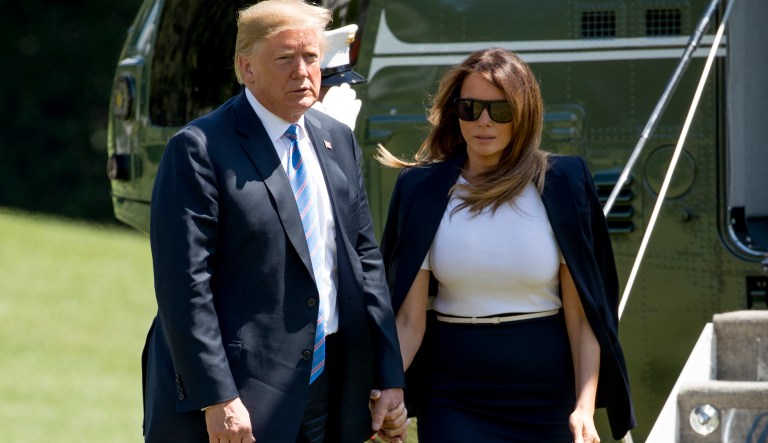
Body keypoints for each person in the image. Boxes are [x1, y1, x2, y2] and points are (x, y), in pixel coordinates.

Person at [141, 1, 407, 442]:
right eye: (285, 59)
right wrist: (217, 398)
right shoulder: (199, 149)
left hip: (330, 391)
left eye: (311, 58)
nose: (302, 72)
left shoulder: (335, 139)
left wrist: (389, 376)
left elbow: (364, 262)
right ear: (246, 68)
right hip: (240, 397)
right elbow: (184, 286)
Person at [377, 48, 636, 442]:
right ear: (455, 112)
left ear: (524, 114)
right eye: (471, 107)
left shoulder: (563, 182)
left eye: (500, 110)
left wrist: (584, 407)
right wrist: (388, 388)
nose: (483, 121)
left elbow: (582, 316)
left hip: (548, 394)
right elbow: (408, 321)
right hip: (454, 394)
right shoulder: (421, 189)